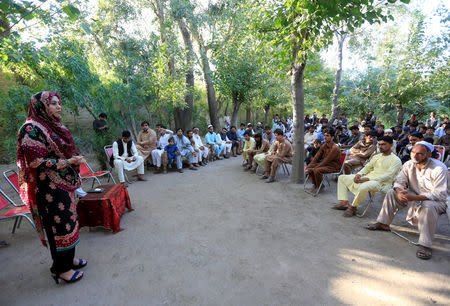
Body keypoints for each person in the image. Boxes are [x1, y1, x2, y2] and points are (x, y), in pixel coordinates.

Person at [17, 91, 86, 284]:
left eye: (59, 103)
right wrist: (67, 161)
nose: (59, 107)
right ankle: (60, 269)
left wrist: (73, 160)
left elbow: (64, 150)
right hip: (48, 188)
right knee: (58, 226)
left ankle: (69, 259)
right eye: (53, 103)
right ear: (42, 106)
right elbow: (34, 161)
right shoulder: (30, 128)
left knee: (70, 222)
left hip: (62, 184)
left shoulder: (53, 125)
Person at [366, 142, 448, 260]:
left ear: (428, 155)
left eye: (420, 154)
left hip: (437, 200)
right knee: (391, 192)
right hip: (414, 195)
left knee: (428, 206)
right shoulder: (409, 164)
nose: (415, 156)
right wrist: (399, 192)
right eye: (413, 152)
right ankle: (383, 223)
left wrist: (412, 197)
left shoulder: (439, 168)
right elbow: (399, 182)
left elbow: (439, 194)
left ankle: (425, 244)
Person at [333, 136, 402, 217]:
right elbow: (367, 167)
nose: (380, 147)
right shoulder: (377, 156)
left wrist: (367, 179)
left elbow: (389, 176)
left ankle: (353, 207)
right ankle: (344, 202)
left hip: (381, 182)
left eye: (383, 144)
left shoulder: (396, 160)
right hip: (368, 178)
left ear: (391, 145)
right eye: (379, 144)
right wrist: (359, 174)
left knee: (364, 186)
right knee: (342, 177)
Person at [305, 128, 341, 193]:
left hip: (333, 167)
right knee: (309, 167)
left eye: (327, 136)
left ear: (332, 137)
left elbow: (326, 160)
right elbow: (317, 157)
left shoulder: (335, 148)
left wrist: (315, 167)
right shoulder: (324, 145)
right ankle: (316, 184)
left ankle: (319, 186)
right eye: (324, 135)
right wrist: (310, 165)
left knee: (316, 170)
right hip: (325, 164)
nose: (325, 137)